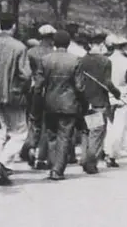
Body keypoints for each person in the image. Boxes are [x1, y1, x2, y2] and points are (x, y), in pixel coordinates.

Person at [0, 13, 32, 186]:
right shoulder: (19, 47)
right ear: (14, 27)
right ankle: (3, 162)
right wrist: (24, 90)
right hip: (14, 96)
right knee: (19, 133)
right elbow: (25, 74)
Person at [33, 30, 87, 180]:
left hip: (49, 103)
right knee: (64, 137)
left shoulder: (45, 60)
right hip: (69, 104)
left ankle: (52, 165)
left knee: (51, 135)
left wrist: (37, 104)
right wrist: (83, 103)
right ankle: (58, 169)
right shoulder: (75, 60)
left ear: (54, 43)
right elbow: (80, 87)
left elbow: (38, 86)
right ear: (68, 43)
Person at [79, 32, 121, 174]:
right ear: (102, 44)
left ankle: (84, 158)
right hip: (99, 103)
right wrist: (116, 92)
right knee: (96, 134)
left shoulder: (81, 61)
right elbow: (108, 82)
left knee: (86, 132)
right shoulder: (105, 61)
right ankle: (90, 162)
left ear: (89, 45)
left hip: (84, 103)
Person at [25, 24, 57, 170]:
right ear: (52, 38)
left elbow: (26, 73)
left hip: (34, 90)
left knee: (33, 119)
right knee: (47, 124)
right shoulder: (55, 53)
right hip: (50, 91)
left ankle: (31, 147)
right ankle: (41, 155)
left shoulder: (31, 52)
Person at [104, 34, 127, 168]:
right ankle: (112, 155)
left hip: (108, 96)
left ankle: (106, 151)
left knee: (109, 126)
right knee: (119, 127)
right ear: (122, 47)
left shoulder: (106, 60)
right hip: (122, 96)